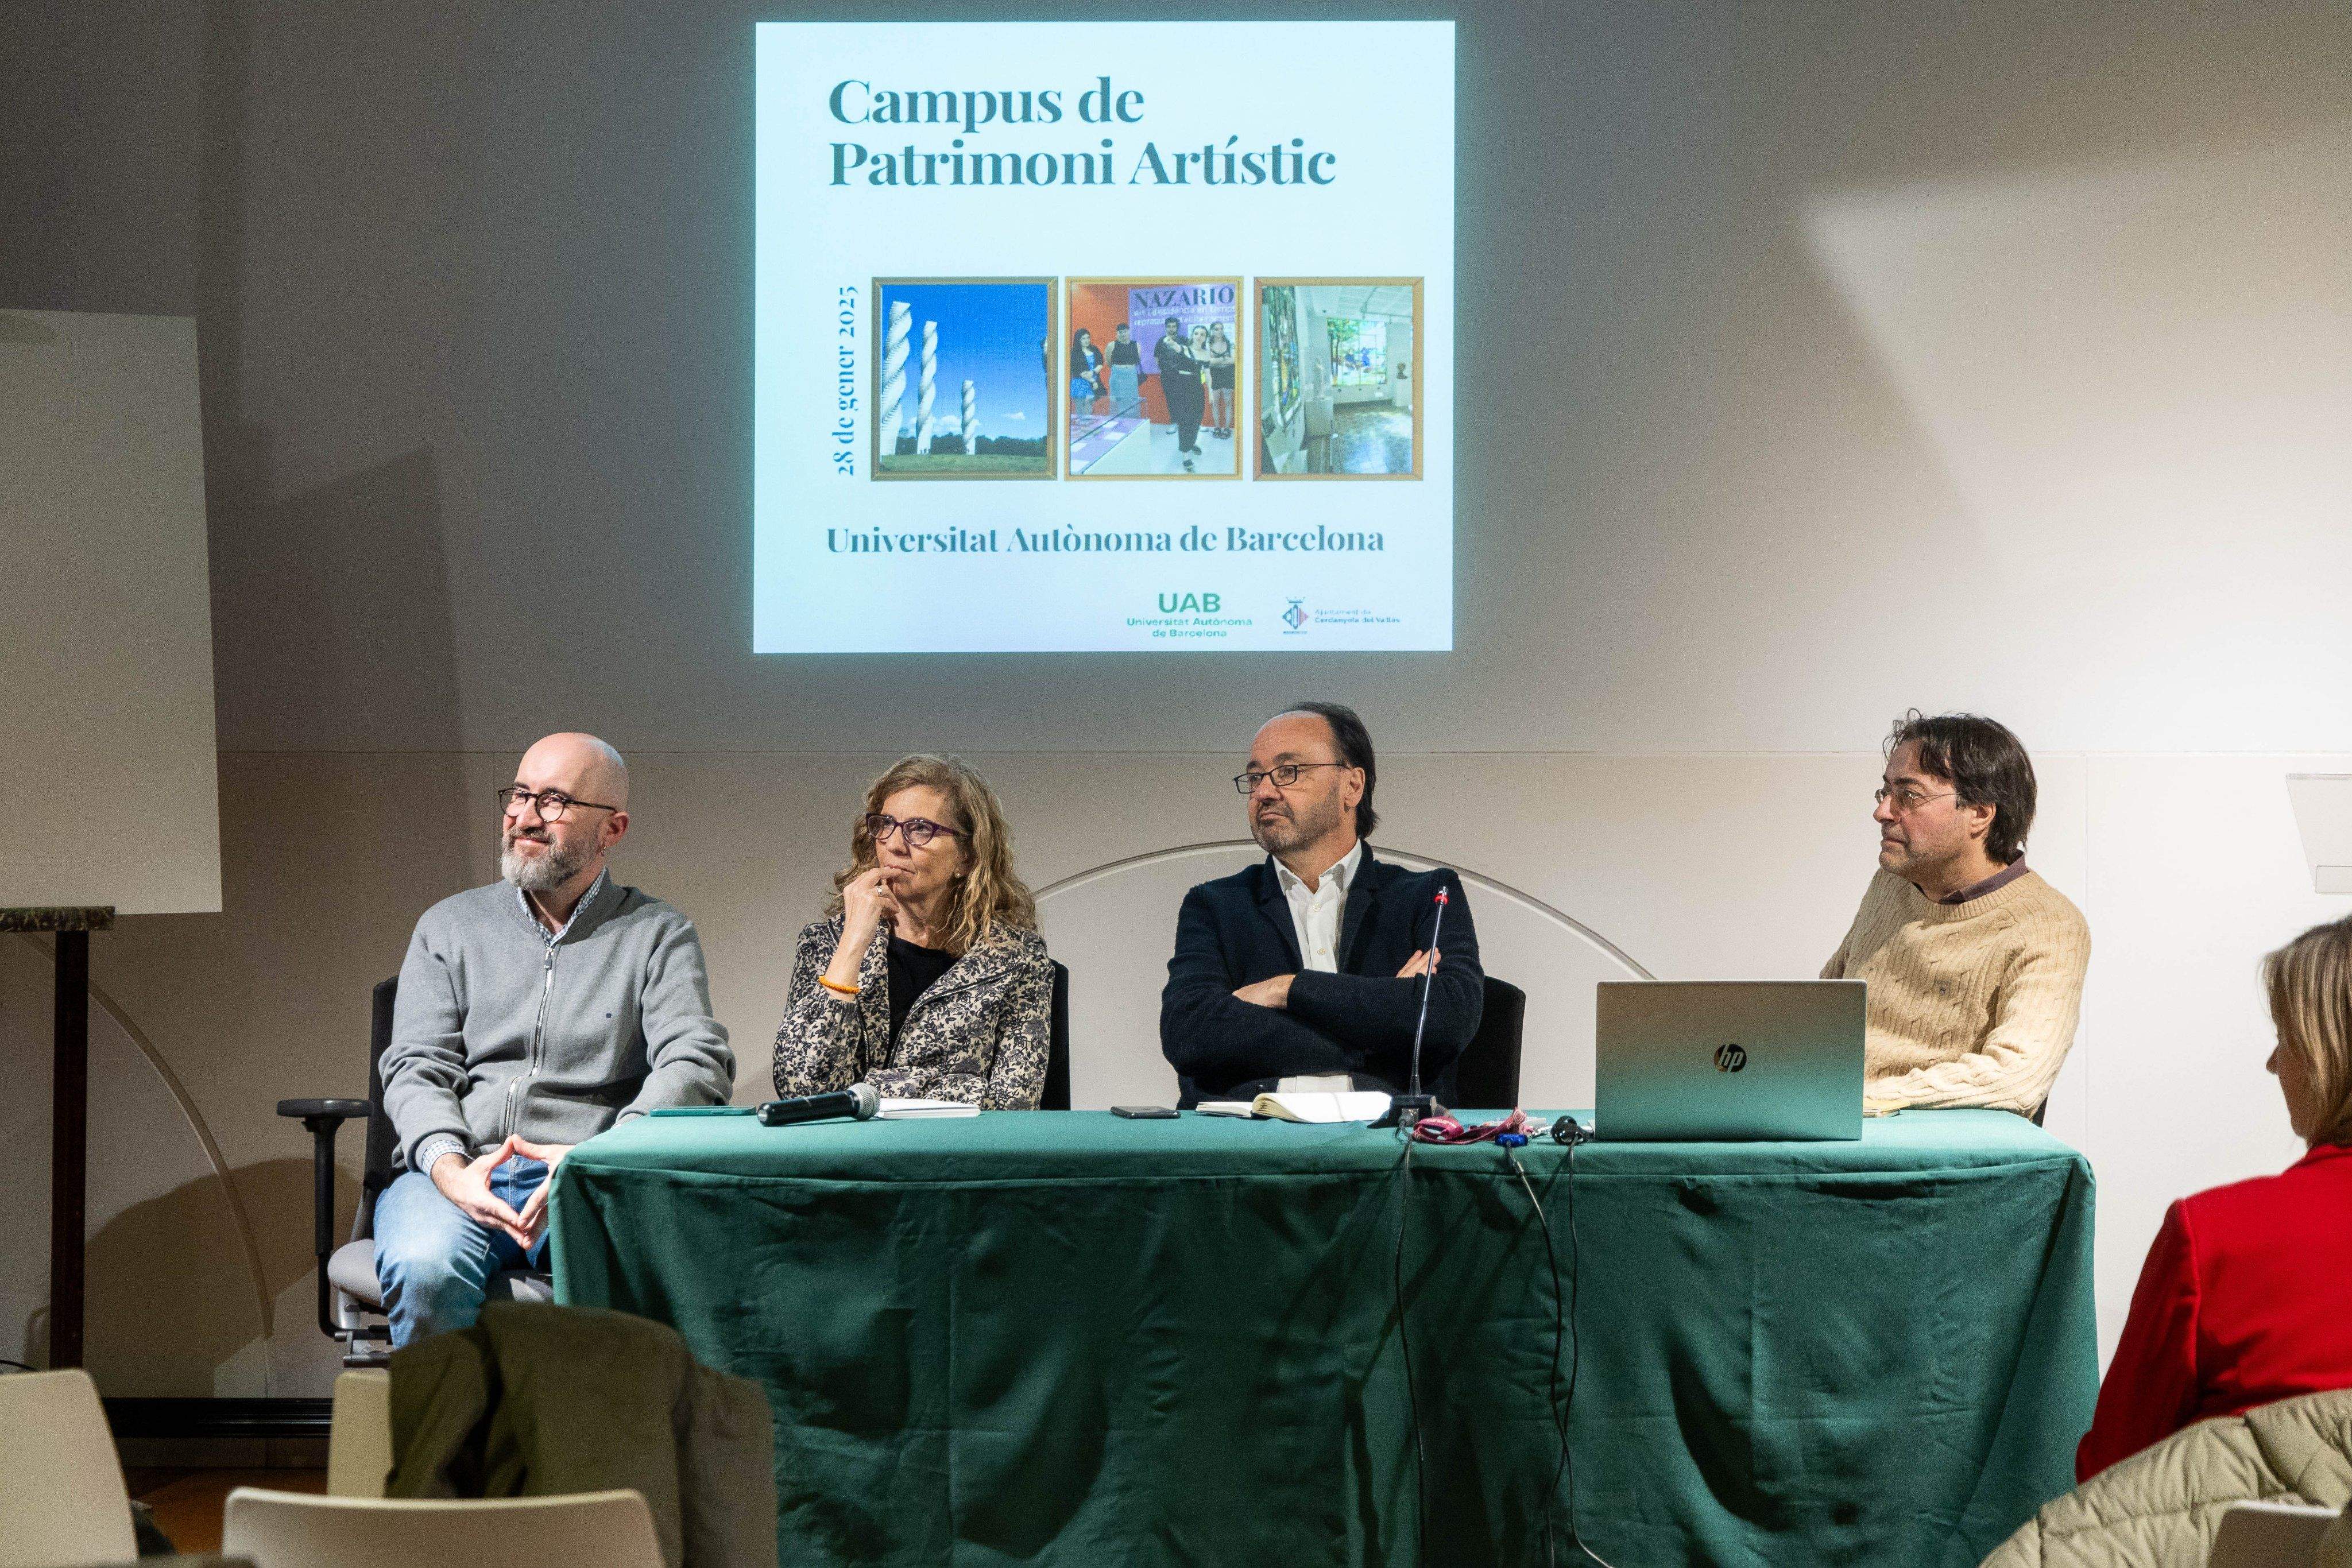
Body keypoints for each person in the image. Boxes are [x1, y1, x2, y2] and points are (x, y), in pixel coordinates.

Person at [376, 733, 734, 1346]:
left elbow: (695, 1061)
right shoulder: (449, 925)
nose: (523, 816)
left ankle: (586, 1442)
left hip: (588, 1174)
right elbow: (416, 1066)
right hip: (463, 1169)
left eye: (554, 800)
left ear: (611, 829)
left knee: (625, 1294)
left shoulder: (657, 933)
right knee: (425, 1272)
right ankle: (455, 1444)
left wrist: (601, 1159)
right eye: (518, 794)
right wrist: (450, 1167)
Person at [2076, 916, 2352, 1480]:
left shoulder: (2211, 1237)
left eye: (2284, 1037)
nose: (2274, 1063)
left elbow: (2109, 1477)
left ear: (2328, 1055)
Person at [1160, 703, 1483, 1108]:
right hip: (1248, 1142)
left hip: (1387, 1144)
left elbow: (1448, 1018)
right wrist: (1382, 1019)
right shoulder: (1214, 905)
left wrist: (1286, 989)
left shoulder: (1429, 893)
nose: (1263, 791)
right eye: (1256, 775)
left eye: (1288, 771)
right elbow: (1189, 1032)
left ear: (1352, 785)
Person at [1821, 711, 2090, 1113]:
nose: (1883, 812)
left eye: (1909, 796)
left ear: (1980, 812)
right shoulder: (1889, 885)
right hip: (1840, 1123)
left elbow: (2017, 1076)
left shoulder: (2050, 925)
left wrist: (1871, 1097)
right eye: (1884, 793)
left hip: (1936, 1153)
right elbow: (1823, 1010)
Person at [773, 755, 1053, 1108]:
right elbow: (802, 1089)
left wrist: (868, 1090)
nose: (893, 844)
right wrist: (854, 941)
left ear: (966, 858)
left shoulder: (1017, 960)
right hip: (847, 1157)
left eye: (920, 829)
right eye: (885, 825)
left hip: (953, 1157)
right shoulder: (826, 943)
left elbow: (1013, 1105)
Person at [1155, 315, 1208, 471]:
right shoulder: (1161, 341)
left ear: (1177, 327)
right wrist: (1165, 371)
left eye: (1174, 326)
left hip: (1194, 383)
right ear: (1166, 327)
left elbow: (1199, 365)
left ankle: (1191, 442)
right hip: (1171, 378)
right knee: (1176, 408)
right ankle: (1182, 439)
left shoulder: (1185, 341)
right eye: (1169, 326)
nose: (1171, 329)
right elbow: (1158, 358)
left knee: (1195, 416)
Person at [1203, 320, 1236, 439]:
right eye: (1216, 329)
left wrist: (1215, 361)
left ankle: (1227, 429)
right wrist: (1224, 358)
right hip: (1214, 375)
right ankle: (1217, 427)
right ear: (1212, 331)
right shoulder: (1207, 345)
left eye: (1221, 329)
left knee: (1228, 402)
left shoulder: (1230, 343)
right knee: (1215, 403)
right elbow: (1207, 362)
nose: (1220, 331)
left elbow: (1234, 360)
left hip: (1228, 374)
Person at [1106, 322, 1143, 419]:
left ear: (1129, 332)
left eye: (1125, 332)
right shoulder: (1112, 345)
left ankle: (1133, 422)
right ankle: (1116, 422)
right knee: (1116, 399)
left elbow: (1137, 360)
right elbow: (1109, 363)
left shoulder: (1136, 345)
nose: (1123, 334)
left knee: (1133, 399)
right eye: (1120, 332)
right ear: (1117, 333)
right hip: (1117, 375)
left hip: (1131, 375)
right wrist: (1119, 369)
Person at [1069, 327, 1105, 415]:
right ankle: (1082, 427)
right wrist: (1093, 381)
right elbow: (1078, 371)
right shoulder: (1075, 353)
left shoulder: (1094, 349)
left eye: (1088, 338)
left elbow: (1101, 363)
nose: (1086, 340)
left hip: (1094, 382)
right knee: (1081, 410)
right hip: (1080, 383)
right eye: (1083, 339)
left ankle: (1087, 426)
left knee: (1089, 408)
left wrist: (1093, 373)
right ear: (1078, 340)